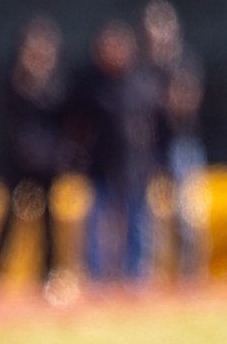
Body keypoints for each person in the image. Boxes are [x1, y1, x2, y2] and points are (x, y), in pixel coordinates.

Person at [67, 21, 159, 284]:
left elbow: (152, 123)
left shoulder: (140, 81)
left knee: (137, 221)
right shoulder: (90, 85)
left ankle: (136, 275)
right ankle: (96, 276)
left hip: (134, 163)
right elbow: (76, 123)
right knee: (97, 220)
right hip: (100, 164)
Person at [0, 15, 68, 287]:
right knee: (8, 215)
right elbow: (4, 112)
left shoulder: (58, 82)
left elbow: (64, 116)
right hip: (17, 159)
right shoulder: (12, 78)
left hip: (46, 160)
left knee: (48, 217)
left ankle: (49, 272)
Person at [140, 0, 207, 278]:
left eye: (162, 26)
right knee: (149, 218)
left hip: (182, 144)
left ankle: (191, 275)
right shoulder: (142, 65)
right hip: (150, 145)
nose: (158, 33)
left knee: (189, 215)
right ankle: (151, 276)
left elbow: (186, 102)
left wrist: (165, 99)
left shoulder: (184, 61)